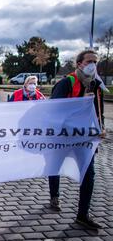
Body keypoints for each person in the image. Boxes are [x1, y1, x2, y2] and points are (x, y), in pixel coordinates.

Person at [48, 49, 106, 230]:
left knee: (89, 175)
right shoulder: (67, 83)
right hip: (63, 138)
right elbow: (54, 110)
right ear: (79, 64)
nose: (92, 65)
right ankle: (54, 196)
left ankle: (82, 215)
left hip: (84, 139)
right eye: (89, 61)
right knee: (54, 166)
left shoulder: (96, 85)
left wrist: (100, 128)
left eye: (95, 62)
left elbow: (99, 111)